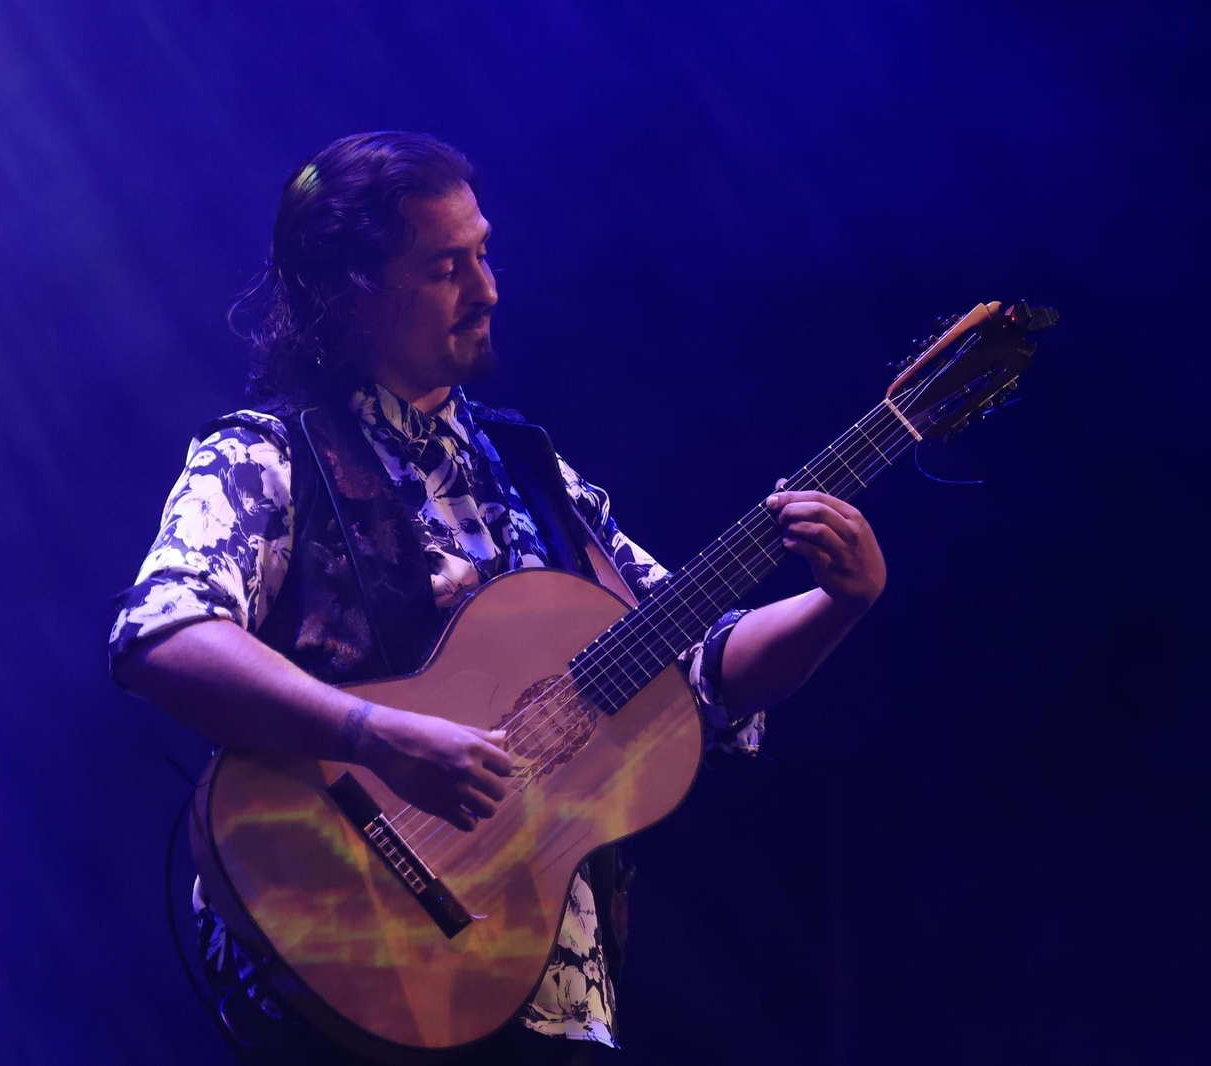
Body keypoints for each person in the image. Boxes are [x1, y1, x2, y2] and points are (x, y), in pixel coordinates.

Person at [110, 132, 886, 1063]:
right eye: (447, 267)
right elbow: (163, 637)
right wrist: (375, 735)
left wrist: (835, 606)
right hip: (340, 949)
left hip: (547, 985)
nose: (488, 290)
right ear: (348, 290)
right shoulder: (268, 453)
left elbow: (699, 672)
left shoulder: (533, 470)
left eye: (482, 253)